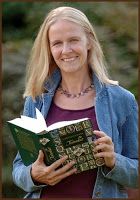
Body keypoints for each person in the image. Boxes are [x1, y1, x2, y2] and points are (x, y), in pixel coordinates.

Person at [12, 6, 138, 198]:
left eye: (73, 40)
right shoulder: (36, 100)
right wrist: (33, 175)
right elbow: (19, 168)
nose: (66, 50)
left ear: (89, 41)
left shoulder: (122, 100)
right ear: (49, 49)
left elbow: (136, 174)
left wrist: (114, 160)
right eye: (57, 43)